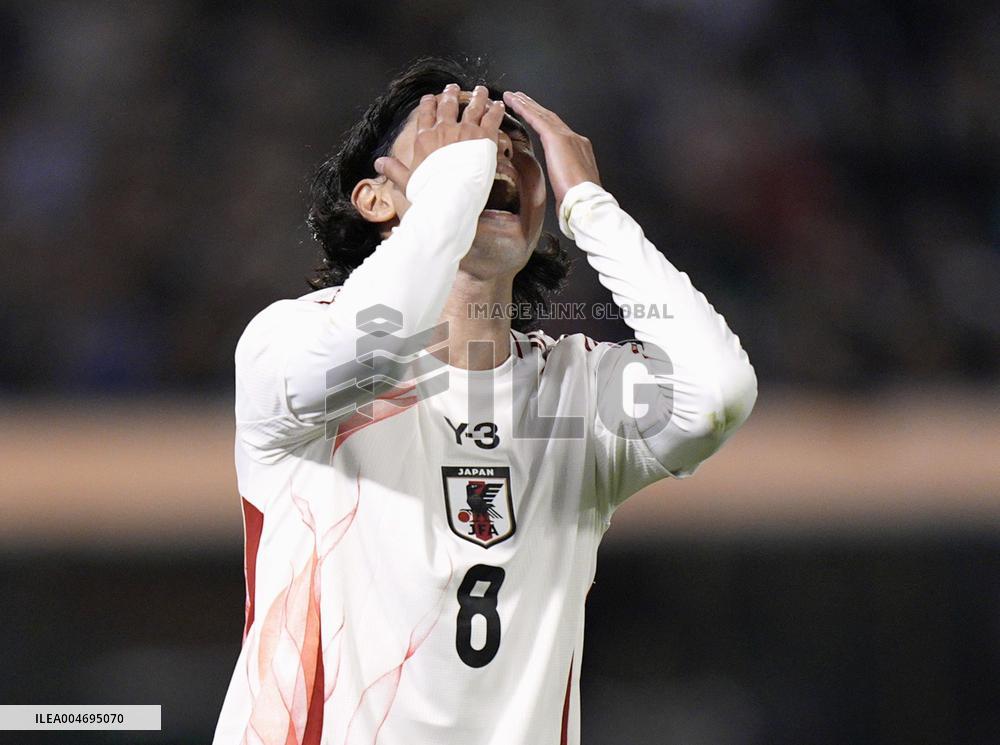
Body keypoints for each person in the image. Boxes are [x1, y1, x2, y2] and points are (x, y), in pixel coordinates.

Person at [214, 57, 757, 745]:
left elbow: (718, 393)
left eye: (512, 145)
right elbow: (373, 349)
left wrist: (592, 209)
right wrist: (454, 191)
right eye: (452, 132)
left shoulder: (575, 393)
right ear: (377, 199)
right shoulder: (287, 343)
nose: (489, 149)